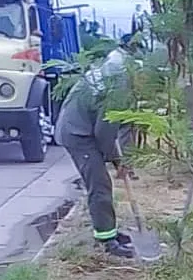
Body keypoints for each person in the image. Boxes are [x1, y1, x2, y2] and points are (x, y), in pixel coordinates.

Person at [56, 49, 136, 259]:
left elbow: (118, 128)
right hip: (77, 134)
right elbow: (105, 133)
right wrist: (117, 161)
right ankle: (106, 241)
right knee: (99, 184)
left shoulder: (107, 74)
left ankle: (107, 230)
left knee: (101, 183)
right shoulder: (116, 88)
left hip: (81, 128)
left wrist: (120, 160)